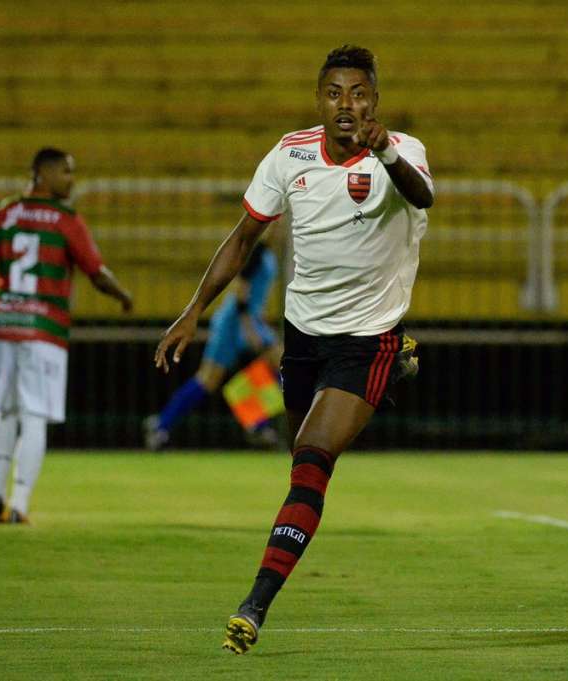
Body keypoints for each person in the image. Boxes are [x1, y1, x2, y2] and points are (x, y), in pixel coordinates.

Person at [154, 45, 430, 653]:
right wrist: (193, 310)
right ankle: (392, 374)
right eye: (334, 93)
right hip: (302, 339)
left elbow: (421, 197)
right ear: (319, 100)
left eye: (359, 94)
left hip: (366, 337)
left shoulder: (402, 152)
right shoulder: (289, 154)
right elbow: (244, 235)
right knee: (296, 456)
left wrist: (382, 149)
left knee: (311, 461)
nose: (347, 105)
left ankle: (255, 603)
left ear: (375, 101)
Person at [0, 147, 133, 525]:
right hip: (44, 329)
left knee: (4, 409)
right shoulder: (65, 219)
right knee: (35, 413)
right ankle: (19, 504)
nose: (72, 180)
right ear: (42, 174)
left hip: (4, 324)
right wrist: (123, 296)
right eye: (66, 172)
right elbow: (96, 272)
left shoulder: (3, 213)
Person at [143, 235, 283, 450]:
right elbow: (240, 290)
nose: (280, 227)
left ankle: (256, 423)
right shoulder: (256, 251)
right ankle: (162, 424)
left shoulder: (267, 252)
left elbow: (254, 296)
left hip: (249, 320)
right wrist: (249, 327)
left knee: (282, 364)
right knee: (208, 379)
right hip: (235, 322)